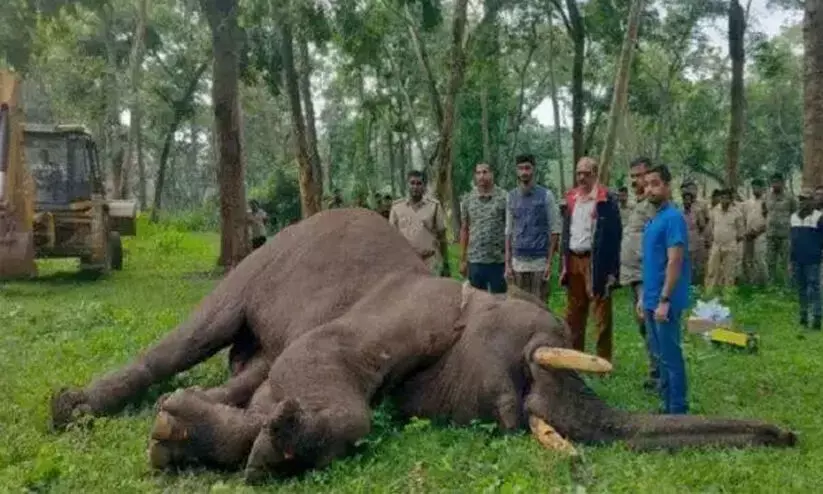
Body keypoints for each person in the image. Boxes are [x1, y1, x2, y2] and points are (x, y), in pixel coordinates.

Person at [638, 163, 690, 415]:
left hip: (664, 299)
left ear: (668, 186)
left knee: (670, 355)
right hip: (650, 297)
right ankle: (667, 404)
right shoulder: (654, 219)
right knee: (659, 356)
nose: (649, 189)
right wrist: (643, 298)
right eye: (646, 184)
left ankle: (678, 410)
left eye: (655, 184)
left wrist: (665, 299)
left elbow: (675, 260)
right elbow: (650, 262)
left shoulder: (673, 219)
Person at [560, 156, 622, 363]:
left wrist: (613, 271)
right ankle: (576, 357)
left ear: (595, 175)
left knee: (601, 314)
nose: (582, 177)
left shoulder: (606, 200)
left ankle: (603, 360)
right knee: (574, 313)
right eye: (579, 173)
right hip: (574, 259)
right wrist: (563, 263)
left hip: (596, 262)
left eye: (587, 173)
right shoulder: (571, 199)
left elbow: (615, 236)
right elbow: (566, 232)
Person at [619, 157, 658, 389]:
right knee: (644, 327)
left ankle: (660, 376)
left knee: (652, 325)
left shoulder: (654, 207)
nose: (635, 181)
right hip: (635, 277)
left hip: (647, 277)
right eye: (632, 176)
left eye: (640, 175)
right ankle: (655, 371)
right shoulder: (638, 205)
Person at [504, 154, 561, 302]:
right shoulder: (511, 196)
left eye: (527, 168)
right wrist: (507, 264)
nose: (524, 172)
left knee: (540, 307)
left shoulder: (546, 196)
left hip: (539, 263)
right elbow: (508, 231)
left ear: (534, 170)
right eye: (521, 168)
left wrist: (549, 262)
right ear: (516, 171)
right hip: (517, 263)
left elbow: (555, 230)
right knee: (518, 306)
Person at [389, 170, 451, 277]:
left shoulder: (434, 206)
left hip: (430, 261)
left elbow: (442, 236)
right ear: (407, 185)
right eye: (412, 183)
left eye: (419, 183)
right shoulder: (397, 207)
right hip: (406, 263)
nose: (415, 187)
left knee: (430, 292)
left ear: (424, 186)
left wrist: (445, 263)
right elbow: (391, 238)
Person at [460, 163, 508, 294]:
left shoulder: (504, 197)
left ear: (492, 174)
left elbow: (509, 231)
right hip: (475, 261)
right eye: (478, 172)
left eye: (485, 172)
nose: (482, 176)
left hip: (498, 261)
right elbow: (464, 229)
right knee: (475, 302)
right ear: (475, 176)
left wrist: (510, 260)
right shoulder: (468, 198)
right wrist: (463, 259)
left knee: (499, 302)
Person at [790, 188, 823, 331]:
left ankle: (817, 317)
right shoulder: (793, 217)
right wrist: (790, 260)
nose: (803, 202)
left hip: (813, 259)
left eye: (806, 199)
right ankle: (803, 316)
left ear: (812, 201)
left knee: (814, 288)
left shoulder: (819, 217)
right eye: (801, 199)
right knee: (801, 288)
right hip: (797, 258)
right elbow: (792, 240)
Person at [705, 188, 744, 294]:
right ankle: (709, 294)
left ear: (731, 200)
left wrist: (730, 241)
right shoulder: (714, 211)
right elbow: (710, 227)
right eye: (722, 198)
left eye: (727, 198)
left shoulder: (737, 213)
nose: (724, 200)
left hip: (730, 247)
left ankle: (728, 296)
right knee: (712, 271)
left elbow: (741, 233)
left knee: (729, 273)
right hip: (716, 246)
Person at [765, 173, 797, 286]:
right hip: (771, 234)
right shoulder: (767, 196)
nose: (775, 184)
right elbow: (764, 211)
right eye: (773, 182)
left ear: (782, 183)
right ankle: (771, 284)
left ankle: (788, 285)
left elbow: (795, 211)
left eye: (777, 182)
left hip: (785, 234)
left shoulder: (789, 197)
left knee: (786, 261)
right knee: (770, 261)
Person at [741, 179, 768, 286]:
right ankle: (751, 282)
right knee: (747, 260)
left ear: (763, 189)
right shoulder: (747, 203)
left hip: (761, 234)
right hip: (748, 234)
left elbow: (768, 220)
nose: (755, 189)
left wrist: (758, 231)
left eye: (757, 187)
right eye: (753, 187)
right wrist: (746, 232)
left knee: (760, 259)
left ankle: (764, 283)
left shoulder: (766, 202)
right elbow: (744, 218)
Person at [680, 183, 707, 285]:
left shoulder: (697, 211)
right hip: (683, 240)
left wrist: (696, 234)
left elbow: (702, 225)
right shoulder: (679, 211)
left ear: (691, 201)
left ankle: (694, 283)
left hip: (694, 240)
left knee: (694, 263)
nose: (687, 201)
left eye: (689, 199)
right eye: (685, 199)